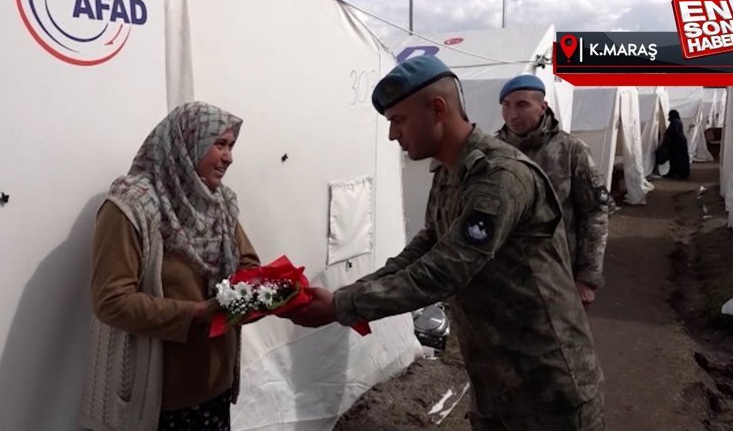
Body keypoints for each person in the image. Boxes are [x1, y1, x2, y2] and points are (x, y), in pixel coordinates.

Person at [284, 56, 605, 430]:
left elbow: (447, 269)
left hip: (546, 382)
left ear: (437, 109)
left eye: (398, 121)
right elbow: (428, 243)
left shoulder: (500, 176)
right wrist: (357, 289)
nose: (392, 135)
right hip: (493, 378)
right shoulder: (451, 170)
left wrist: (344, 305)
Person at [79, 102, 260, 431]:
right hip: (159, 399)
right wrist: (195, 314)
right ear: (186, 143)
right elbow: (111, 301)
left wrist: (254, 293)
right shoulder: (130, 208)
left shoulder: (218, 202)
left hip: (214, 383)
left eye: (231, 146)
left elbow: (247, 259)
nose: (228, 157)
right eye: (219, 144)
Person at [496, 74, 609, 308]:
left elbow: (595, 213)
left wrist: (588, 277)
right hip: (506, 279)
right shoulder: (494, 151)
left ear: (542, 107)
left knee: (563, 344)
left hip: (559, 278)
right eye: (506, 106)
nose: (512, 114)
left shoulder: (570, 150)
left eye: (522, 105)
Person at [661, 109, 690, 179]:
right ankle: (680, 173)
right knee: (680, 158)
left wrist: (667, 134)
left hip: (677, 143)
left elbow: (674, 132)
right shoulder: (678, 121)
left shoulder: (674, 122)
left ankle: (678, 173)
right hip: (680, 142)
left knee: (677, 158)